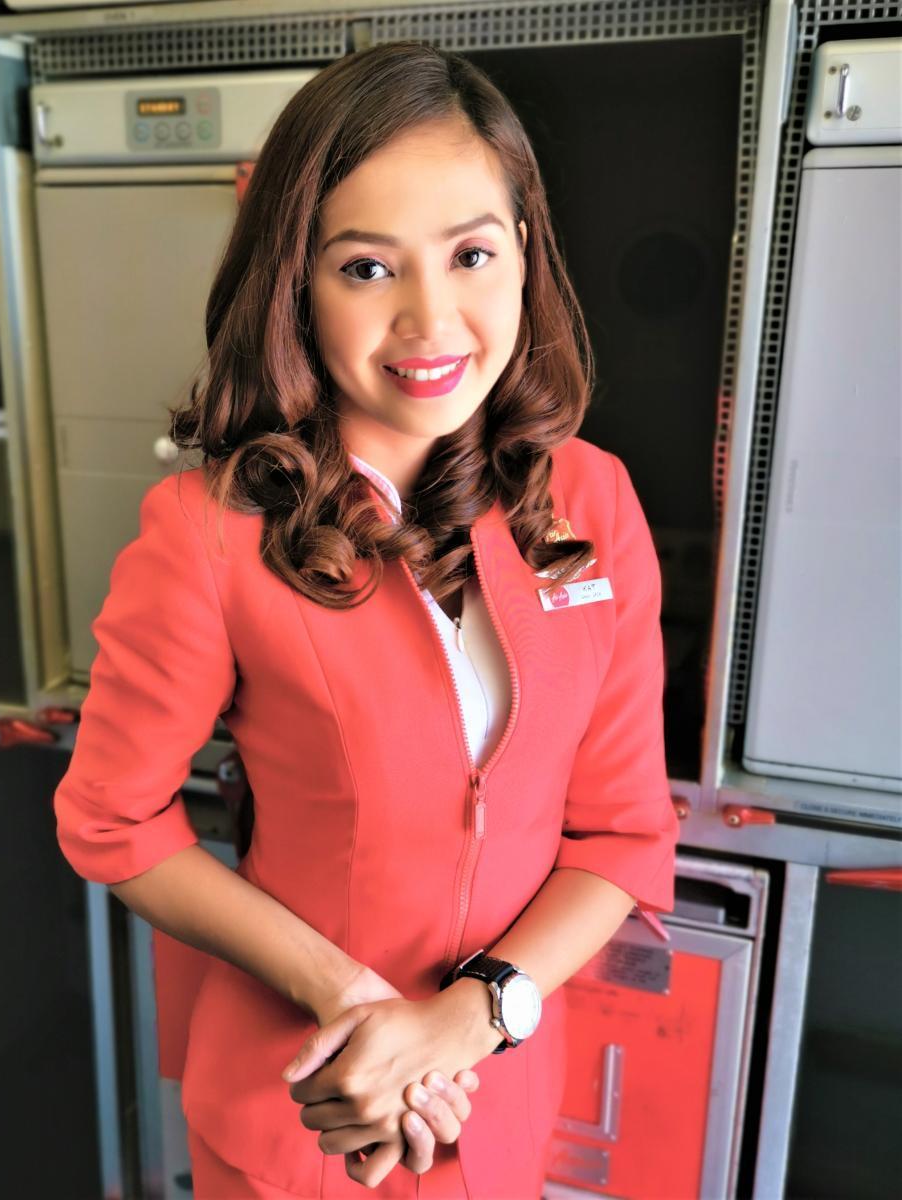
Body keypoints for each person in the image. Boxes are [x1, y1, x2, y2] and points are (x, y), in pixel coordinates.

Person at [53, 40, 680, 1199]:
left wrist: (465, 1020)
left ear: (523, 251)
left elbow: (622, 837)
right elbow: (112, 820)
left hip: (492, 1102)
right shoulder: (209, 530)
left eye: (471, 255)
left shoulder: (592, 501)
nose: (429, 320)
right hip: (298, 1098)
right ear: (296, 281)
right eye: (366, 268)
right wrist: (347, 998)